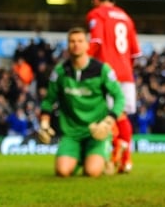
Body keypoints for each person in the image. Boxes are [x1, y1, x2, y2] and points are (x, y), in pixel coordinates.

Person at [37, 27, 125, 177]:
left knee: (92, 172)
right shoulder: (60, 72)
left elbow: (119, 98)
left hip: (97, 131)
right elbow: (48, 100)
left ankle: (109, 155)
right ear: (67, 45)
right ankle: (80, 157)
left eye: (80, 41)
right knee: (62, 171)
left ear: (87, 45)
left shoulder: (102, 70)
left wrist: (109, 121)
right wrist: (44, 123)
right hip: (71, 133)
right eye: (72, 41)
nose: (76, 44)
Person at [86, 0, 142, 173]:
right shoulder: (126, 17)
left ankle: (113, 155)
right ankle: (126, 160)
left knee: (107, 116)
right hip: (126, 72)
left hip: (106, 72)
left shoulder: (97, 14)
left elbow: (96, 42)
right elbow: (135, 52)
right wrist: (126, 68)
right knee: (122, 116)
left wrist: (82, 66)